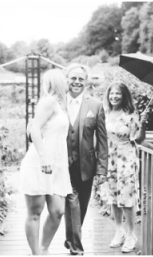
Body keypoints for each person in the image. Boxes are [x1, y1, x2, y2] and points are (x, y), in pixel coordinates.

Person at [18, 69, 72, 255]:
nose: (68, 83)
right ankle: (36, 253)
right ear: (57, 81)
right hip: (40, 163)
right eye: (65, 80)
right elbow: (34, 130)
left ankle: (44, 247)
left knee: (58, 211)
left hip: (58, 165)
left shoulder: (60, 105)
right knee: (35, 211)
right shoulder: (48, 101)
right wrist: (44, 158)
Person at [93, 82, 149, 253]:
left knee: (126, 196)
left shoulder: (131, 114)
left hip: (126, 157)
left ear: (124, 96)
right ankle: (119, 231)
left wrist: (143, 124)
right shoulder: (105, 113)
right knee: (112, 196)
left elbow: (138, 139)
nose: (114, 97)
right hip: (108, 157)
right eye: (112, 94)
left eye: (118, 94)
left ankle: (131, 234)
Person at [62, 63, 108, 255]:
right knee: (72, 202)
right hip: (62, 165)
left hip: (87, 165)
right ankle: (76, 248)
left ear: (86, 81)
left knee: (81, 206)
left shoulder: (95, 105)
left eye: (81, 78)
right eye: (73, 78)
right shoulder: (57, 103)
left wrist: (102, 169)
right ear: (67, 79)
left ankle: (71, 237)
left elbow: (103, 141)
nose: (77, 82)